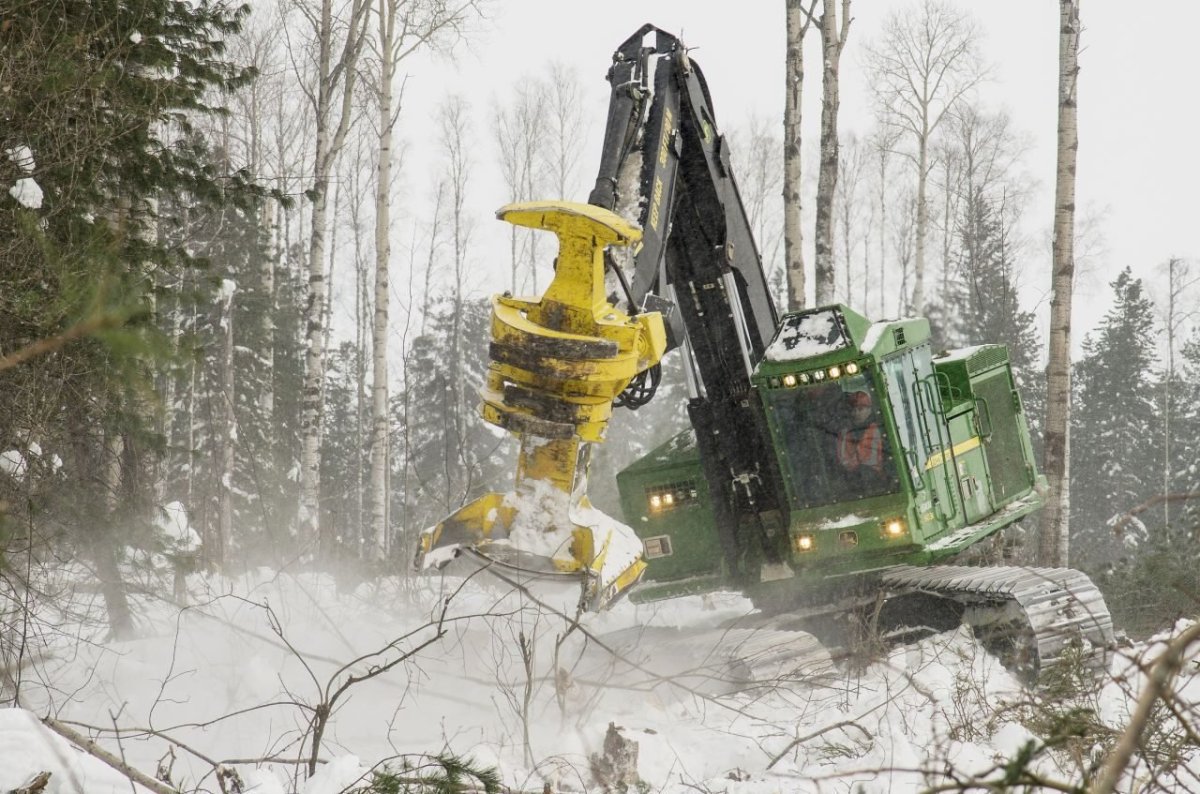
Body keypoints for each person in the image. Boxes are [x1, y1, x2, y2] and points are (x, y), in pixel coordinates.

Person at [837, 389, 883, 476]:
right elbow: (841, 458)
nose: (856, 413)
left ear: (869, 410)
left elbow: (873, 460)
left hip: (873, 476)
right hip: (849, 476)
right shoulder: (844, 432)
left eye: (860, 409)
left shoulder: (878, 430)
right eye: (853, 410)